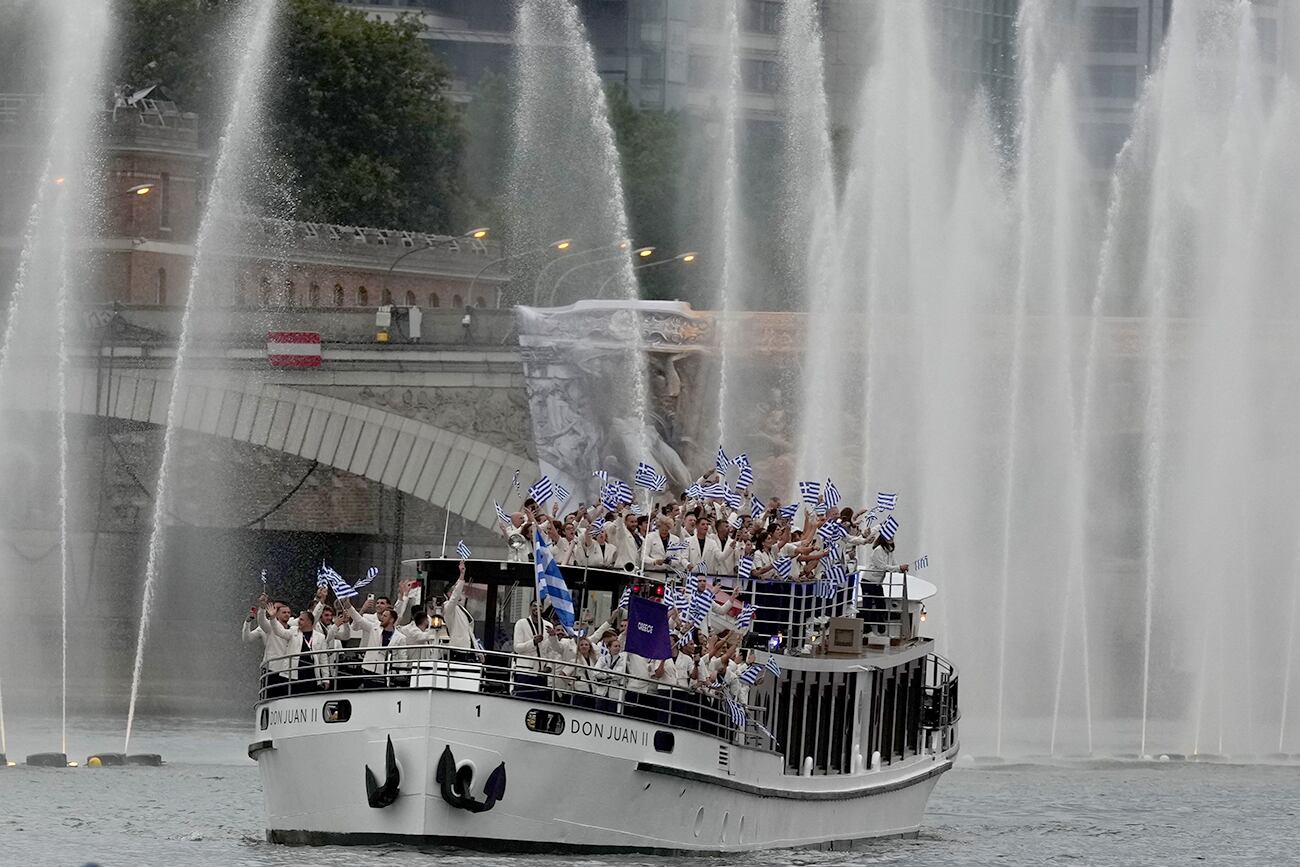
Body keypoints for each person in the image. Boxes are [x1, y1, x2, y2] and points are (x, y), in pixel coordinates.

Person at [255, 596, 296, 698]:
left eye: (288, 613)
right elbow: (261, 621)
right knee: (269, 697)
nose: (287, 614)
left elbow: (311, 617)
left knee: (285, 697)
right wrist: (262, 607)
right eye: (284, 612)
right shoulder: (270, 626)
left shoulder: (294, 629)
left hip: (288, 670)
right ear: (276, 614)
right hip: (272, 669)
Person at [511, 601, 549, 698]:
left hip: (541, 672)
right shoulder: (521, 623)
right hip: (525, 671)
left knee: (540, 706)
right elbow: (517, 647)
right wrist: (533, 642)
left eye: (540, 606)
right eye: (534, 606)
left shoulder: (548, 626)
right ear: (530, 607)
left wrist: (549, 666)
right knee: (522, 702)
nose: (537, 608)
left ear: (543, 609)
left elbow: (550, 650)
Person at [567, 636, 604, 710]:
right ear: (579, 648)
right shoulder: (575, 661)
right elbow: (563, 674)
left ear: (590, 647)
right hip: (580, 692)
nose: (584, 646)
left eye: (586, 645)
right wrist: (571, 683)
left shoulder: (594, 661)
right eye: (581, 645)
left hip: (592, 692)